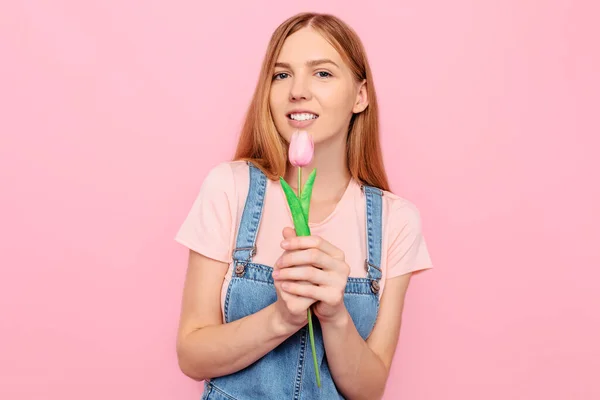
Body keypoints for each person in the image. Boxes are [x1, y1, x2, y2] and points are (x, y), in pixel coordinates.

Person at [174, 12, 433, 400]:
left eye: (322, 73)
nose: (297, 90)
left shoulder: (396, 220)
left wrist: (335, 315)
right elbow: (192, 356)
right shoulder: (230, 188)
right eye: (281, 75)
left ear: (360, 95)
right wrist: (281, 318)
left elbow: (370, 390)